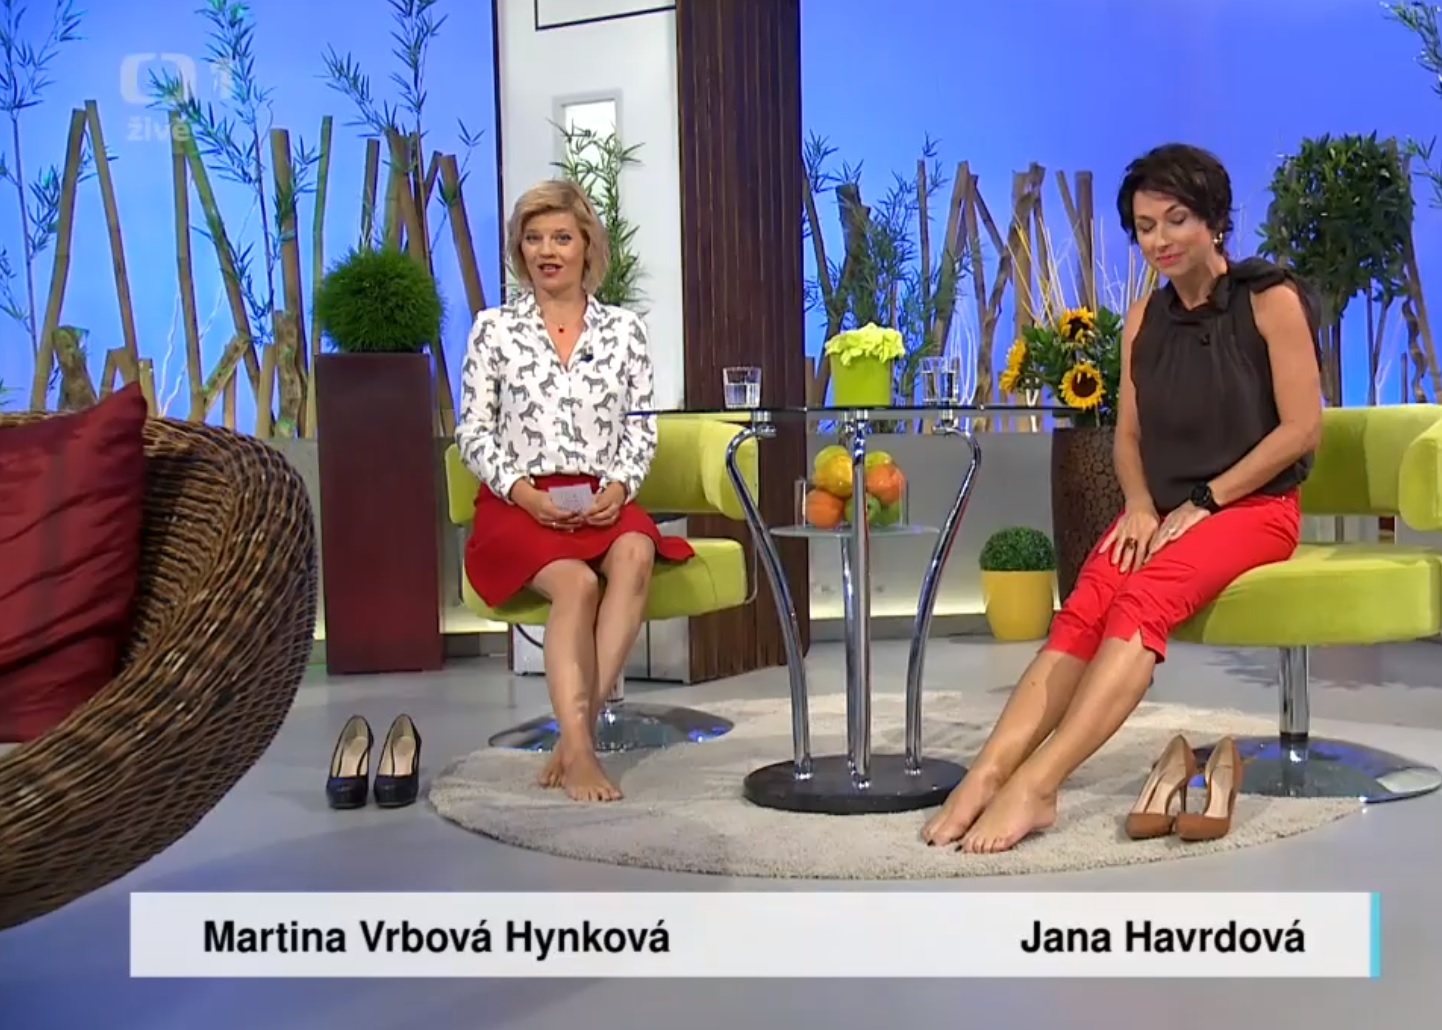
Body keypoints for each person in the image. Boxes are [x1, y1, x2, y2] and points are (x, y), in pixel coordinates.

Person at [922, 143, 1324, 853]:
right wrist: (1138, 504)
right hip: (1163, 511)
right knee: (1086, 604)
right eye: (1145, 226)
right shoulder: (1144, 320)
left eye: (1177, 220)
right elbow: (1128, 437)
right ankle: (988, 774)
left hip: (1254, 509)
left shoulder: (1270, 301)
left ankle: (1039, 785)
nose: (1160, 239)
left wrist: (1207, 499)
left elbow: (1300, 431)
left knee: (1143, 598)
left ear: (1216, 220)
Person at [455, 179, 694, 803]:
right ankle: (583, 752)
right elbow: (472, 432)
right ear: (520, 250)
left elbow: (640, 428)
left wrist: (620, 485)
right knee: (578, 584)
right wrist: (522, 491)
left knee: (636, 550)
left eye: (561, 237)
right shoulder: (493, 330)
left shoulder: (624, 331)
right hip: (519, 502)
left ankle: (573, 733)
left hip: (599, 498)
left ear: (587, 245)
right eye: (533, 239)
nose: (547, 251)